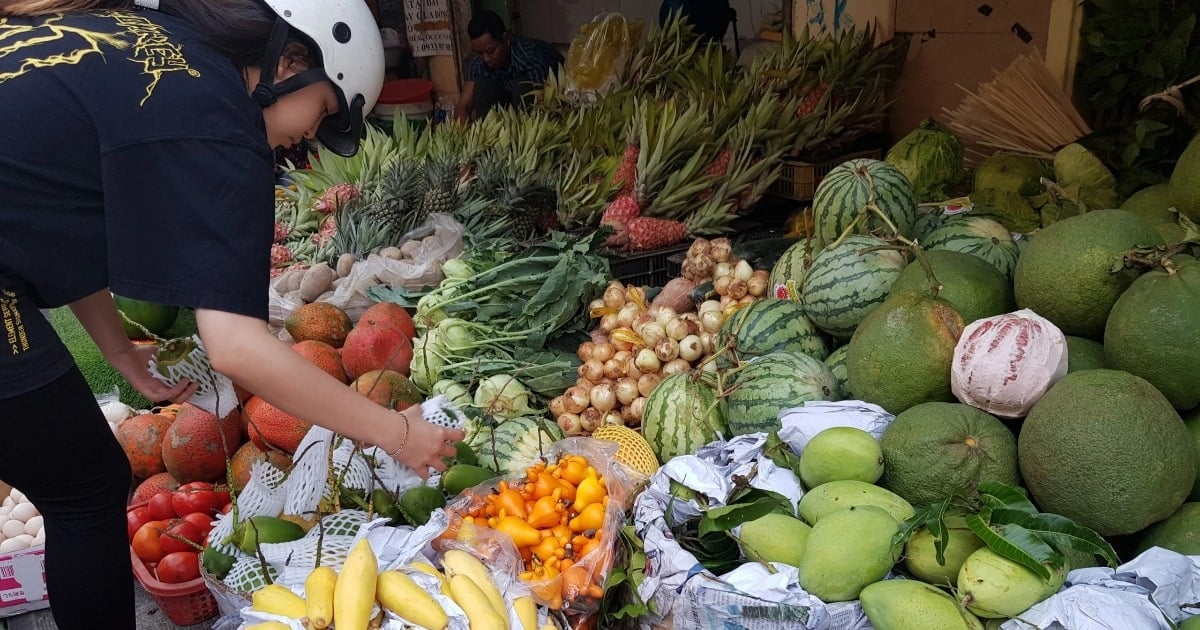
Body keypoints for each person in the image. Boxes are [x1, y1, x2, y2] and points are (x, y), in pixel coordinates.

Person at [0, 1, 464, 628]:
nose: (310, 137)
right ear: (291, 61)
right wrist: (399, 435)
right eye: (325, 111)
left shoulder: (156, 42)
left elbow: (59, 209)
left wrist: (115, 350)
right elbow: (237, 347)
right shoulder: (218, 117)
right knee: (86, 490)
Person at [455, 10, 563, 121]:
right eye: (479, 53)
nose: (486, 59)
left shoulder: (530, 57)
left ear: (506, 39)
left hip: (542, 110)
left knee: (521, 86)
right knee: (482, 85)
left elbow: (545, 102)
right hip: (506, 106)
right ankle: (488, 132)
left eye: (491, 51)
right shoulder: (478, 62)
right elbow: (463, 106)